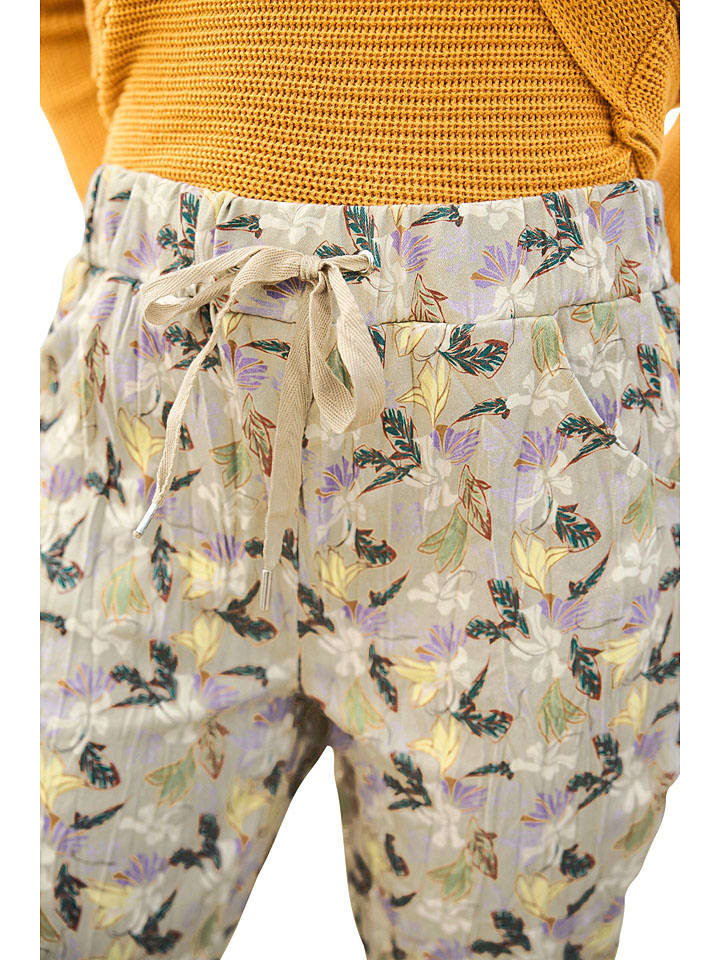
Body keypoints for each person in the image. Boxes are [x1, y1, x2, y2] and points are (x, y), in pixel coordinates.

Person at [40, 3, 680, 957]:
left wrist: (617, 265)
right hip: (161, 392)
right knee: (74, 907)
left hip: (535, 422)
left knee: (504, 926)